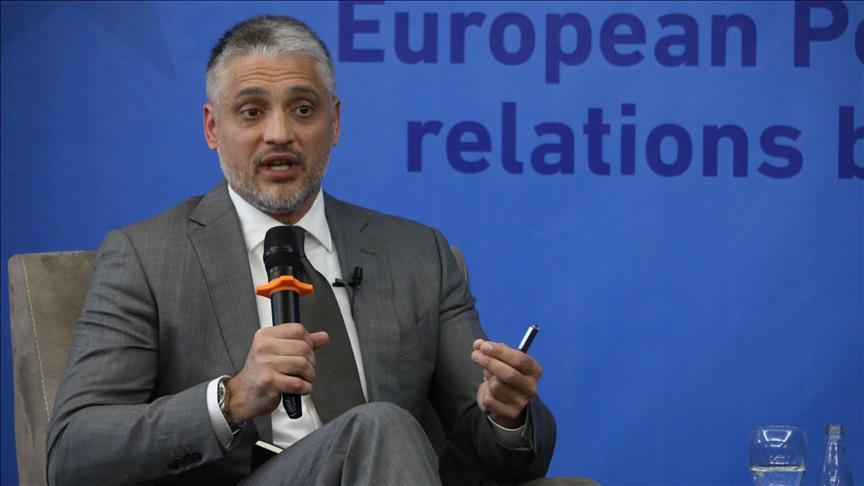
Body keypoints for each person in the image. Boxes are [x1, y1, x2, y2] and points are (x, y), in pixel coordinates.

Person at [47, 15, 555, 485]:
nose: (280, 134)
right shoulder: (146, 256)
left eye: (304, 110)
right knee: (380, 425)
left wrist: (508, 414)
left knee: (382, 428)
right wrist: (231, 398)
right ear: (212, 127)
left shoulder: (418, 254)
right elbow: (74, 451)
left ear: (334, 124)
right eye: (251, 112)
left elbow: (490, 444)